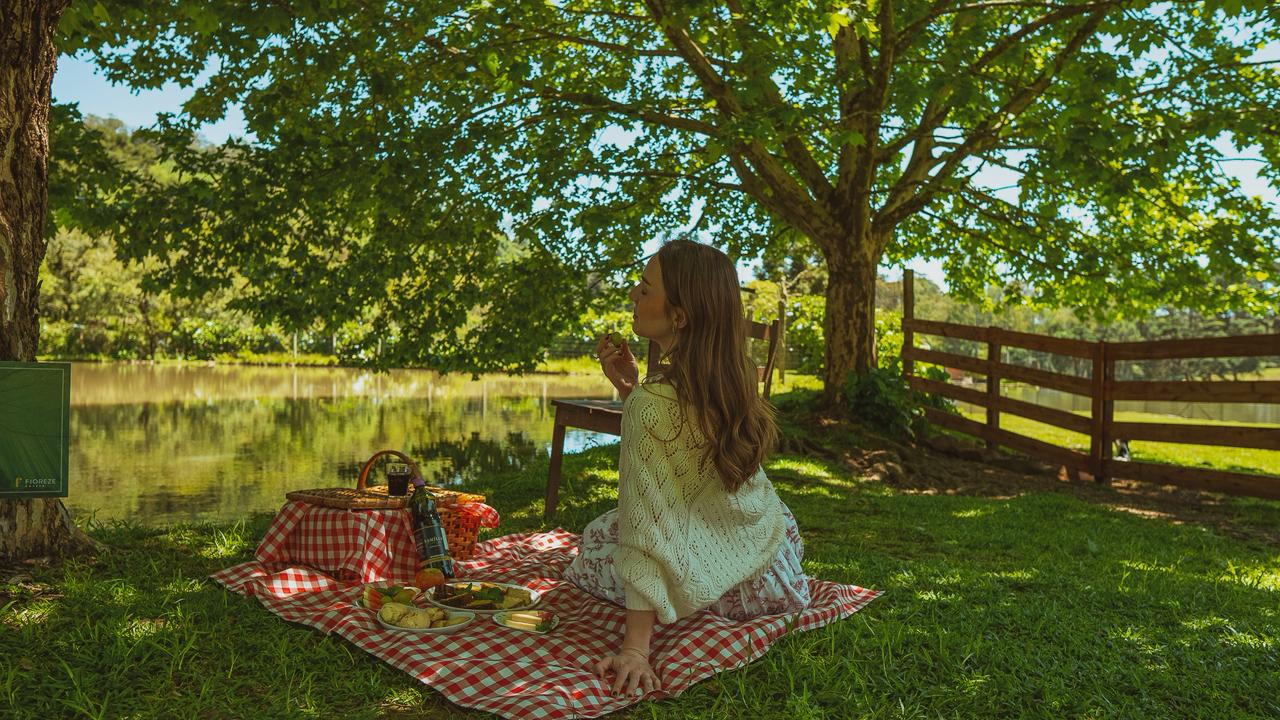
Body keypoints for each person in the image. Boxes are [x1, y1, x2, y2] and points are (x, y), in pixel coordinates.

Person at [563, 239, 811, 697]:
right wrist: (629, 391)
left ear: (679, 316)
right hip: (774, 568)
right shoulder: (732, 377)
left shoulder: (652, 403)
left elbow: (645, 524)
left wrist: (636, 648)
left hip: (724, 592)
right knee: (614, 528)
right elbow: (684, 462)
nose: (635, 295)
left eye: (645, 287)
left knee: (596, 541)